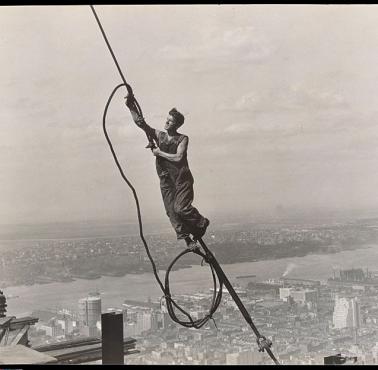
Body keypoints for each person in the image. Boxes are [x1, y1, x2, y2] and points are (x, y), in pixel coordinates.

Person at [125, 93, 209, 250]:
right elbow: (141, 124)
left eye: (170, 121)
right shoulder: (159, 135)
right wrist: (130, 106)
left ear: (176, 125)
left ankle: (201, 222)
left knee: (181, 209)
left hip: (181, 179)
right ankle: (188, 241)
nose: (167, 122)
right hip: (166, 180)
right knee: (172, 212)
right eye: (167, 119)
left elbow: (178, 157)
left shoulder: (182, 138)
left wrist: (159, 153)